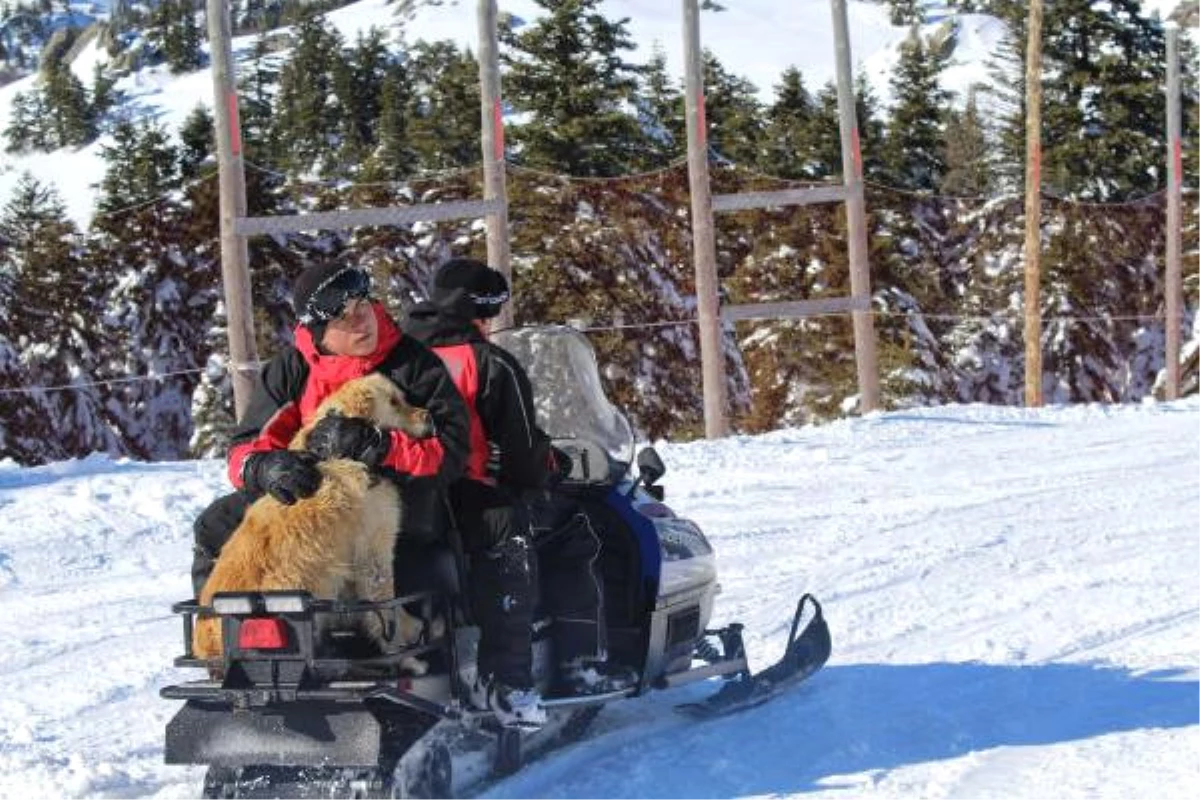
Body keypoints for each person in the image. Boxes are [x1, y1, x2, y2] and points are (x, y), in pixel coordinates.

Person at [406, 257, 630, 727]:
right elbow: (525, 453)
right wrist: (553, 465)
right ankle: (575, 668)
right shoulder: (488, 363)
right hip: (470, 501)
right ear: (481, 312)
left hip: (406, 503)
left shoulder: (396, 354)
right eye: (491, 312)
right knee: (572, 530)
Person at [190, 257, 471, 613]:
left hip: (399, 491)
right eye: (343, 316)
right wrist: (265, 468)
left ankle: (403, 635)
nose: (360, 320)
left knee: (403, 534)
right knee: (216, 524)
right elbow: (244, 448)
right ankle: (224, 637)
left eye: (362, 305)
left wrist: (379, 447)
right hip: (313, 494)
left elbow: (452, 451)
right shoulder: (291, 370)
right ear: (319, 331)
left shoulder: (414, 365)